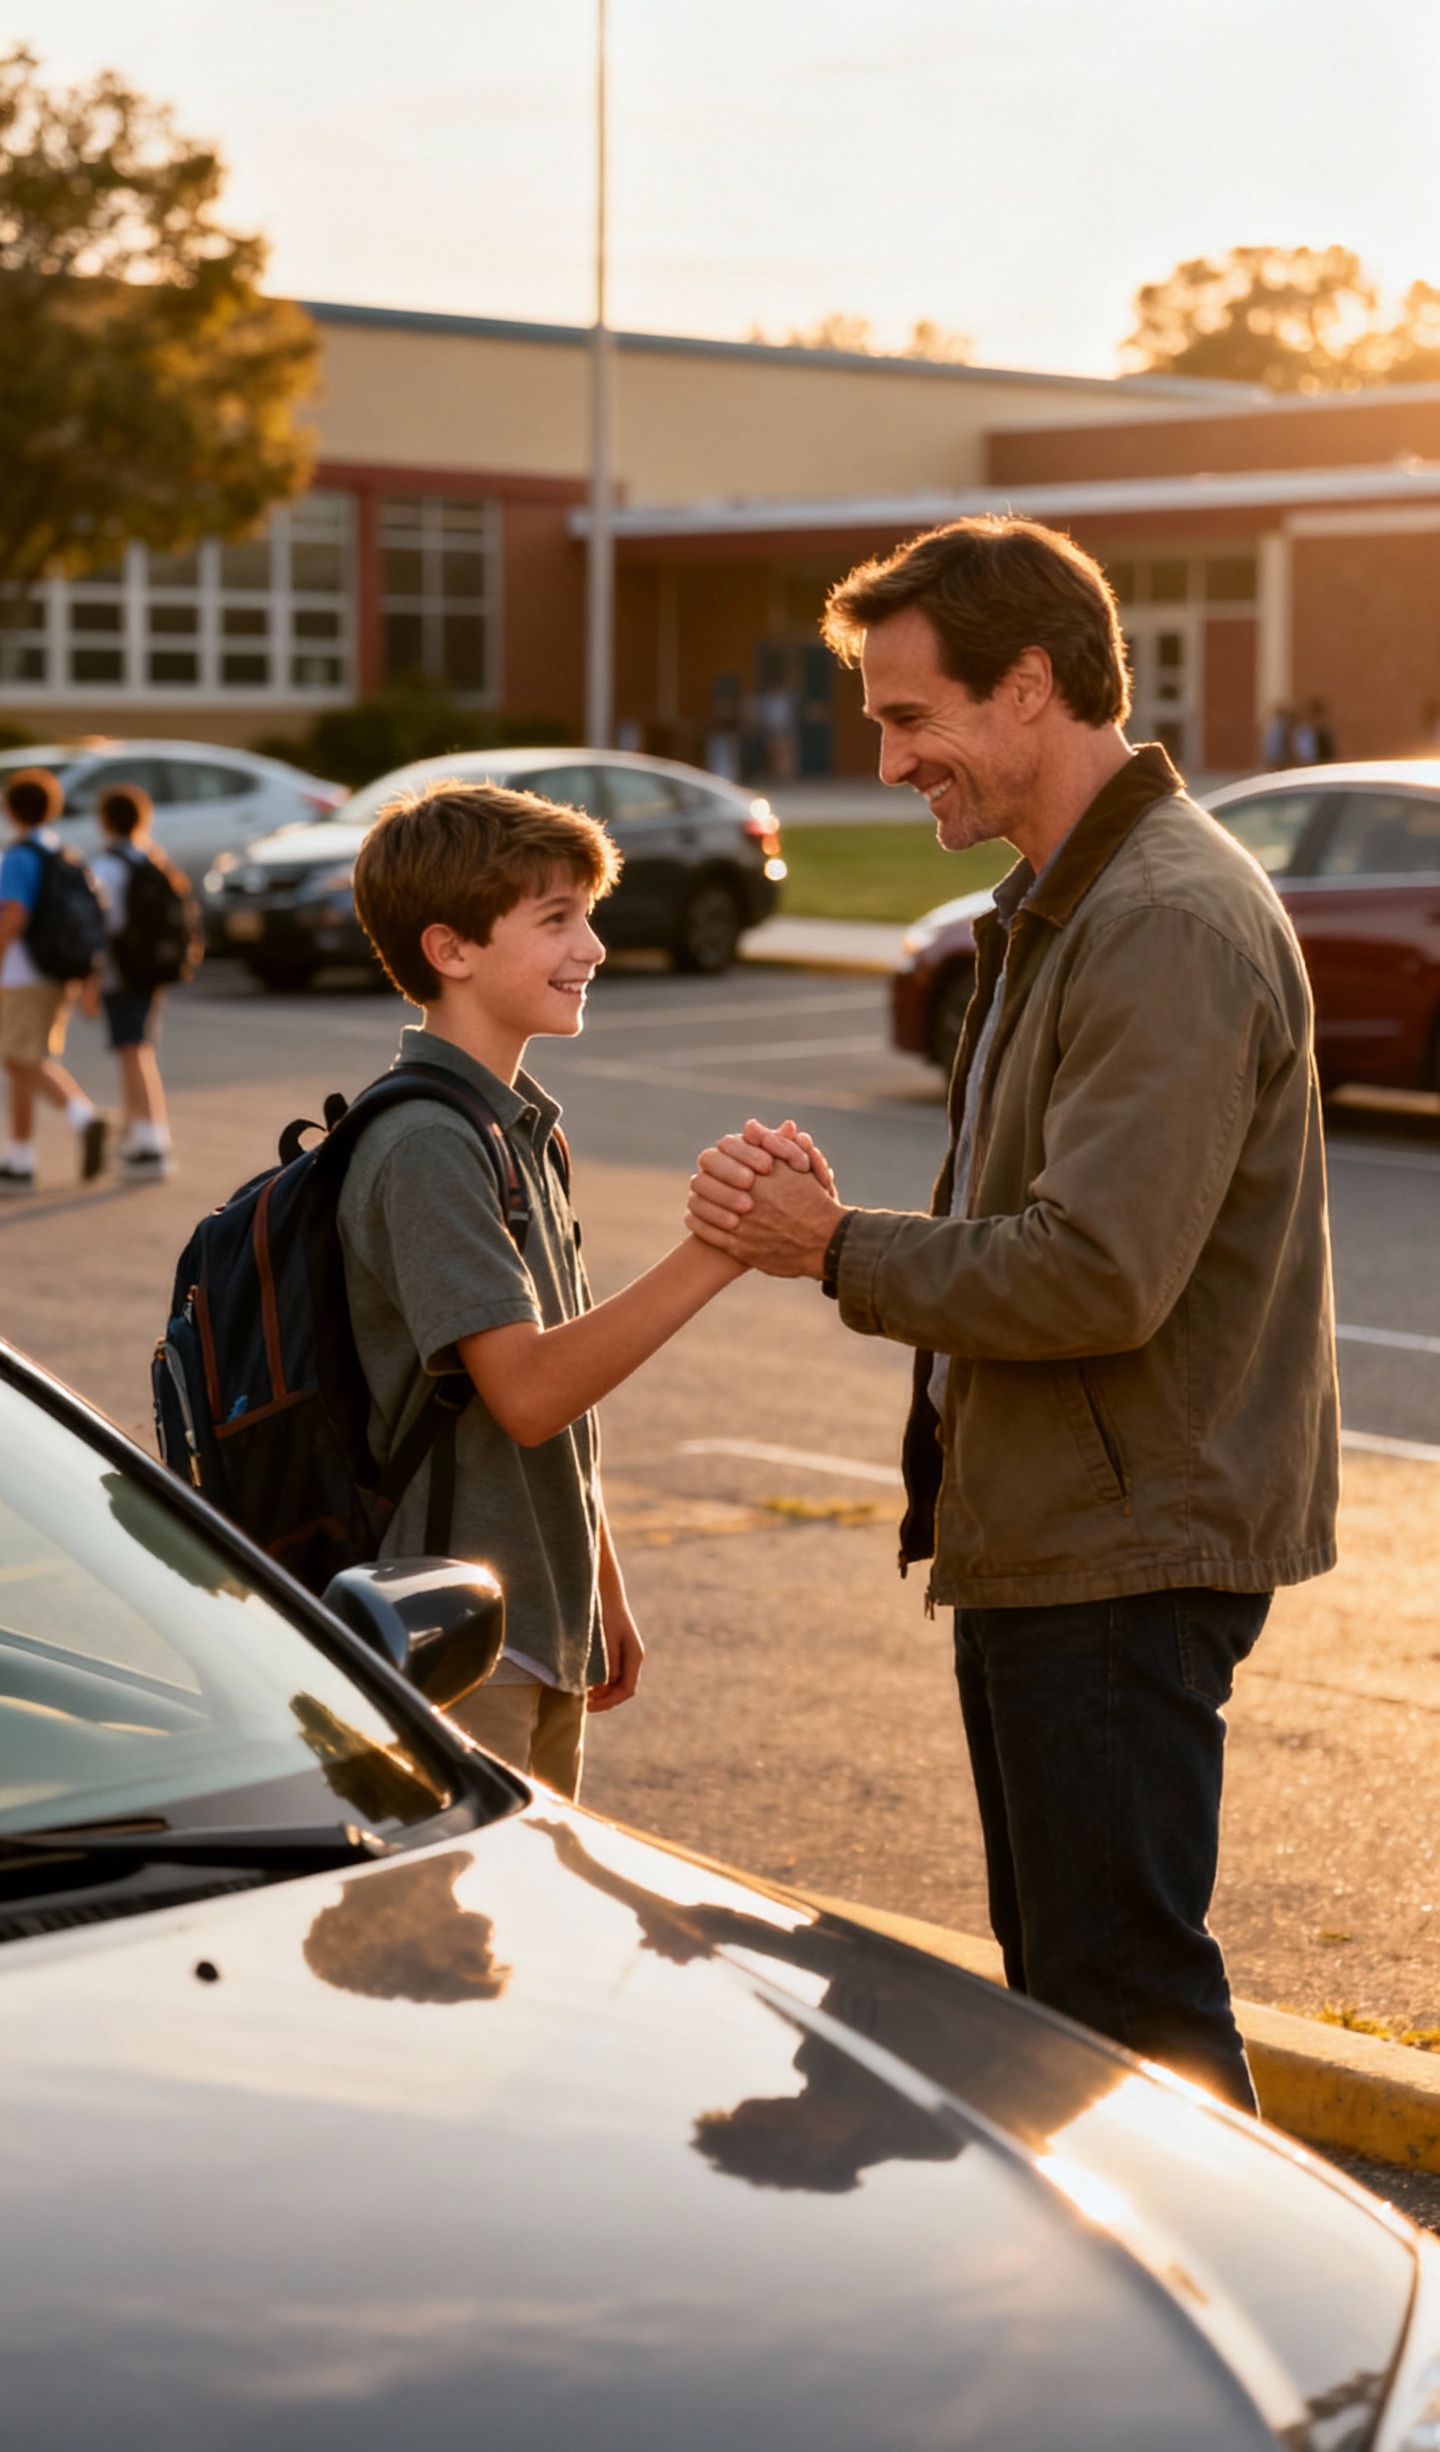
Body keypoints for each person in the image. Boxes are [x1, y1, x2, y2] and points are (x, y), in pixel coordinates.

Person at [685, 515, 1339, 2113]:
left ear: (1031, 685)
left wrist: (834, 1245)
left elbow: (1094, 1272)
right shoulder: (1073, 900)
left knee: (1126, 2012)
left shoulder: (1160, 919)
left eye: (911, 718)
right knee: (1077, 2008)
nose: (890, 757)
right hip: (1063, 1536)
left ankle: (1270, 2352)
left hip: (1124, 1553)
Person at [340, 776, 743, 1800]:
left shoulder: (513, 1129)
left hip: (533, 1622)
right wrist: (720, 1248)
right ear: (452, 948)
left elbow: (561, 1386)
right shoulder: (427, 1145)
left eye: (589, 916)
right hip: (451, 1647)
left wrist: (595, 1582)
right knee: (459, 1950)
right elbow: (526, 1392)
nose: (592, 948)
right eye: (557, 919)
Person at [0, 768, 108, 1196]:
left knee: (21, 1059)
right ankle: (19, 1159)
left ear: (10, 808)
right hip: (57, 970)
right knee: (19, 1060)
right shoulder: (64, 854)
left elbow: (14, 914)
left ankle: (83, 1118)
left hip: (23, 974)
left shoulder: (19, 856)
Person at [88, 783, 178, 1182]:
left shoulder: (108, 865)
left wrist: (89, 980)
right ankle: (141, 1135)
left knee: (132, 1052)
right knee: (140, 1049)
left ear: (105, 820)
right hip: (150, 970)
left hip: (121, 973)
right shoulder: (151, 859)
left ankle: (150, 1143)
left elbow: (104, 926)